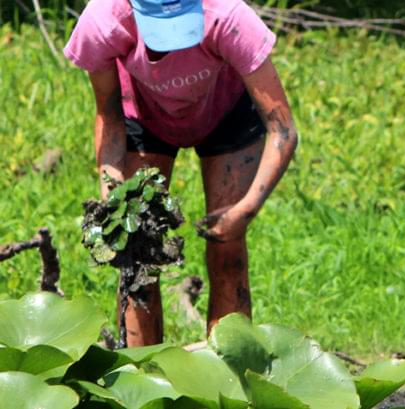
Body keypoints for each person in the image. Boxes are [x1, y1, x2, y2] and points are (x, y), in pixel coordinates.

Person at [64, 0, 298, 346]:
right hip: (143, 116)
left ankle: (229, 379)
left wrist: (244, 211)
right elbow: (108, 112)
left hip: (226, 114)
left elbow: (283, 129)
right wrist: (110, 195)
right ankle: (144, 383)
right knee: (138, 253)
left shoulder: (227, 17)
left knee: (227, 248)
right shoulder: (105, 21)